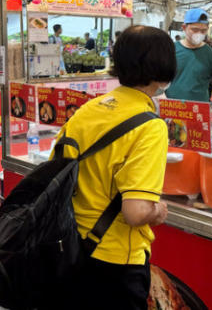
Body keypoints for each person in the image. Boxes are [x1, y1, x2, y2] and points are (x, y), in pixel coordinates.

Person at [53, 25, 173, 309]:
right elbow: (136, 212)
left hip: (69, 250)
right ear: (164, 68)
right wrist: (158, 211)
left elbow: (57, 172)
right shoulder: (149, 126)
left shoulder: (87, 110)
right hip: (117, 259)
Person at [166, 9, 212, 102]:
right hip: (173, 109)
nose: (199, 34)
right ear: (184, 27)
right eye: (194, 29)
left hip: (199, 111)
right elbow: (156, 80)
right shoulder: (170, 51)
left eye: (203, 31)